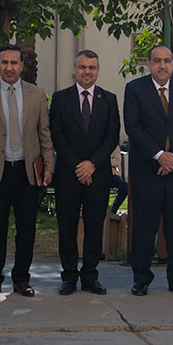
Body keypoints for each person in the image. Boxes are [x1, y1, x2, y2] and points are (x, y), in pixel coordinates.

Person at [0, 43, 54, 297]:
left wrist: (49, 165)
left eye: (14, 63)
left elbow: (44, 133)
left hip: (28, 172)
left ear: (21, 66)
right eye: (5, 62)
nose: (9, 67)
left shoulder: (36, 94)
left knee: (26, 229)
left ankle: (21, 279)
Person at [124, 44, 173, 297]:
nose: (162, 65)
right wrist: (159, 156)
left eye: (167, 61)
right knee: (143, 227)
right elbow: (133, 127)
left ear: (172, 64)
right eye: (157, 61)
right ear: (149, 64)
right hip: (147, 170)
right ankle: (141, 279)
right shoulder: (135, 89)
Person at [50, 49, 120, 296]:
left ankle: (90, 276)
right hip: (68, 175)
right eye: (82, 67)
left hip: (98, 175)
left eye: (91, 67)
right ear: (74, 70)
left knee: (94, 227)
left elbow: (112, 136)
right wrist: (79, 166)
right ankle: (69, 276)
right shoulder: (60, 99)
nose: (87, 71)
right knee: (67, 227)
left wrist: (92, 164)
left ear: (98, 71)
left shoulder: (109, 99)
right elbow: (57, 135)